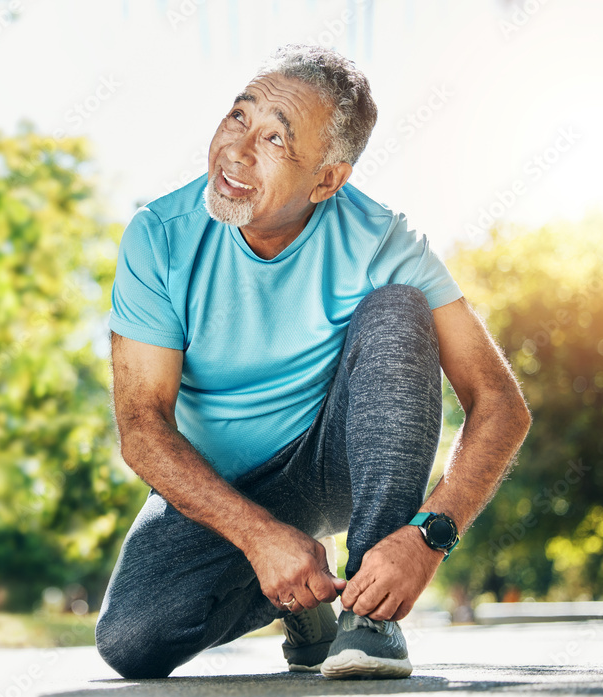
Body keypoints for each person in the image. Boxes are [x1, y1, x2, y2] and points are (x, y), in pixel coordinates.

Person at [94, 44, 531, 680]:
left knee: (398, 311)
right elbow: (142, 428)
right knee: (132, 642)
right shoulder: (159, 236)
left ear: (326, 180)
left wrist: (429, 536)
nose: (236, 150)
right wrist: (260, 537)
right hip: (228, 483)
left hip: (339, 458)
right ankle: (302, 599)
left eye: (275, 138)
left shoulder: (382, 239)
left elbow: (500, 404)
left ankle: (369, 614)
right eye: (239, 117)